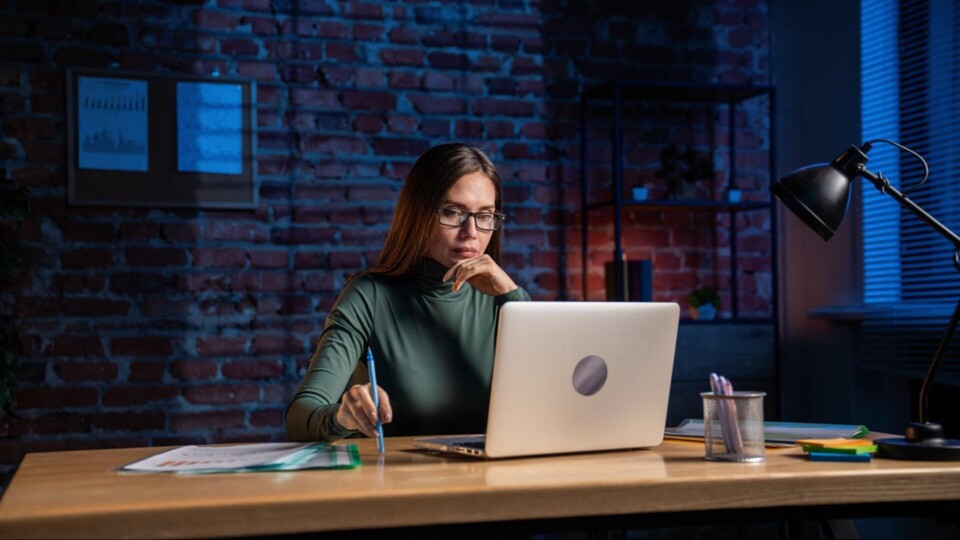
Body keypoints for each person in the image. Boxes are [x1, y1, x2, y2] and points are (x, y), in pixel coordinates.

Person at [286, 143, 531, 442]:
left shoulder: (505, 299)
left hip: (492, 479)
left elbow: (549, 405)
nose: (472, 231)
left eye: (486, 215)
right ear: (419, 215)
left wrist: (512, 296)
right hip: (396, 482)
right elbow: (299, 417)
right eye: (453, 212)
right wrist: (343, 416)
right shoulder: (370, 296)